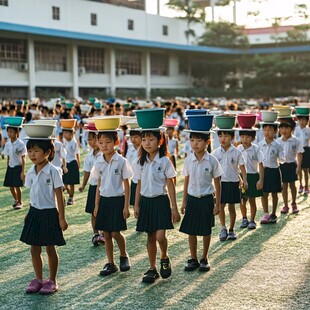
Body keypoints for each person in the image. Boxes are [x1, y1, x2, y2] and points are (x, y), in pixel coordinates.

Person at [20, 138, 68, 294]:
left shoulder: (54, 171)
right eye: (30, 151)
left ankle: (52, 281)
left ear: (48, 153)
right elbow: (33, 194)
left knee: (50, 248)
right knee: (34, 249)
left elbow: (59, 196)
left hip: (49, 213)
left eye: (36, 151)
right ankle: (39, 279)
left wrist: (61, 217)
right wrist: (29, 212)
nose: (32, 154)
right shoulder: (31, 171)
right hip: (35, 212)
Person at [133, 129, 181, 283]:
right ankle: (152, 268)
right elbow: (138, 184)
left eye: (151, 139)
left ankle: (164, 256)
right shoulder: (140, 160)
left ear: (160, 141)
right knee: (150, 237)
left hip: (161, 201)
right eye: (144, 139)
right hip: (146, 202)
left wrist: (174, 207)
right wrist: (136, 205)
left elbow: (171, 184)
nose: (147, 143)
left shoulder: (165, 160)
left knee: (160, 236)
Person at [180, 131, 222, 272]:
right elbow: (186, 181)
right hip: (192, 199)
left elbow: (217, 183)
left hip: (206, 199)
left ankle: (204, 257)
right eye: (192, 140)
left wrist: (217, 204)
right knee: (191, 230)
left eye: (199, 140)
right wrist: (184, 201)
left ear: (207, 142)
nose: (195, 144)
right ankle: (193, 258)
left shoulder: (212, 161)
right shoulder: (188, 160)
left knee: (205, 230)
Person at [93, 131, 133, 276]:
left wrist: (126, 206)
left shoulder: (121, 161)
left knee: (116, 232)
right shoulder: (98, 162)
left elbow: (127, 185)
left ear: (116, 142)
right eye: (101, 142)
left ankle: (123, 255)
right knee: (106, 234)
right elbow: (98, 184)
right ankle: (111, 263)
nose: (104, 145)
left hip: (118, 200)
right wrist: (96, 205)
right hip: (104, 201)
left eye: (108, 142)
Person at [212, 129, 247, 241]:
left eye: (226, 136)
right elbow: (212, 171)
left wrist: (244, 180)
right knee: (221, 206)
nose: (223, 139)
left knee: (232, 207)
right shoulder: (215, 153)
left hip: (233, 182)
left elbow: (242, 167)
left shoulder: (237, 152)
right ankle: (223, 228)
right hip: (220, 184)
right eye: (220, 136)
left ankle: (231, 229)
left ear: (232, 137)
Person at [78, 128, 105, 245]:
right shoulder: (89, 156)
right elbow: (87, 172)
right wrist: (83, 185)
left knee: (102, 210)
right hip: (93, 186)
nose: (92, 142)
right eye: (89, 139)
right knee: (92, 211)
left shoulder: (104, 155)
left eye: (94, 139)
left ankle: (104, 233)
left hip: (104, 188)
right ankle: (96, 233)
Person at [258, 123, 285, 224]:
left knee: (274, 193)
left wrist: (282, 157)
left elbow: (282, 159)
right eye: (265, 130)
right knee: (264, 193)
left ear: (275, 131)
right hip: (263, 170)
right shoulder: (260, 144)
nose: (267, 132)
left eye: (269, 130)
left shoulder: (277, 145)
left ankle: (273, 213)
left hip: (274, 170)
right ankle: (266, 213)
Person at [238, 130, 264, 229]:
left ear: (253, 138)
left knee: (252, 200)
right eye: (242, 136)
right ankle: (244, 218)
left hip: (253, 176)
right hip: (241, 176)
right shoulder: (238, 149)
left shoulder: (256, 149)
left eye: (248, 137)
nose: (245, 139)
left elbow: (261, 164)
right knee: (242, 199)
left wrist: (260, 179)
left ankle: (252, 220)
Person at [276, 119, 304, 214]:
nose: (284, 130)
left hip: (292, 165)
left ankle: (293, 203)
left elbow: (299, 154)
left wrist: (298, 166)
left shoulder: (296, 141)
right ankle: (285, 205)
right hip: (281, 166)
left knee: (292, 185)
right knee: (284, 186)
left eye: (286, 127)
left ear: (292, 129)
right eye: (282, 127)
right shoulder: (278, 141)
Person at [3, 125, 27, 209]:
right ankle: (16, 200)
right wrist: (7, 167)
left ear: (16, 133)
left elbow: (23, 158)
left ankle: (20, 202)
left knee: (17, 186)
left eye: (11, 132)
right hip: (11, 167)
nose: (9, 134)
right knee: (10, 186)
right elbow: (8, 157)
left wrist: (23, 171)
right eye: (8, 132)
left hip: (18, 167)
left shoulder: (20, 144)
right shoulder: (8, 144)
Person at [62, 128, 80, 205]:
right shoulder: (65, 142)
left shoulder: (74, 142)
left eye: (66, 133)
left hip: (72, 162)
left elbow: (77, 153)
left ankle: (71, 198)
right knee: (65, 182)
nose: (64, 135)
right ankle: (69, 195)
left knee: (71, 183)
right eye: (64, 133)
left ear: (71, 134)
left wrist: (78, 163)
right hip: (66, 163)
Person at [125, 129, 142, 206]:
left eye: (136, 137)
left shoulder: (145, 149)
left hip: (143, 179)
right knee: (135, 203)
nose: (133, 139)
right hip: (133, 179)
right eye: (131, 137)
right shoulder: (129, 148)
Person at [294, 115, 310, 194]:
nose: (301, 122)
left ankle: (306, 186)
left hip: (306, 150)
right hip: (298, 151)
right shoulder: (296, 129)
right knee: (299, 169)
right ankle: (301, 185)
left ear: (307, 121)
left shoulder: (308, 130)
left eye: (304, 120)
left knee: (306, 170)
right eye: (300, 120)